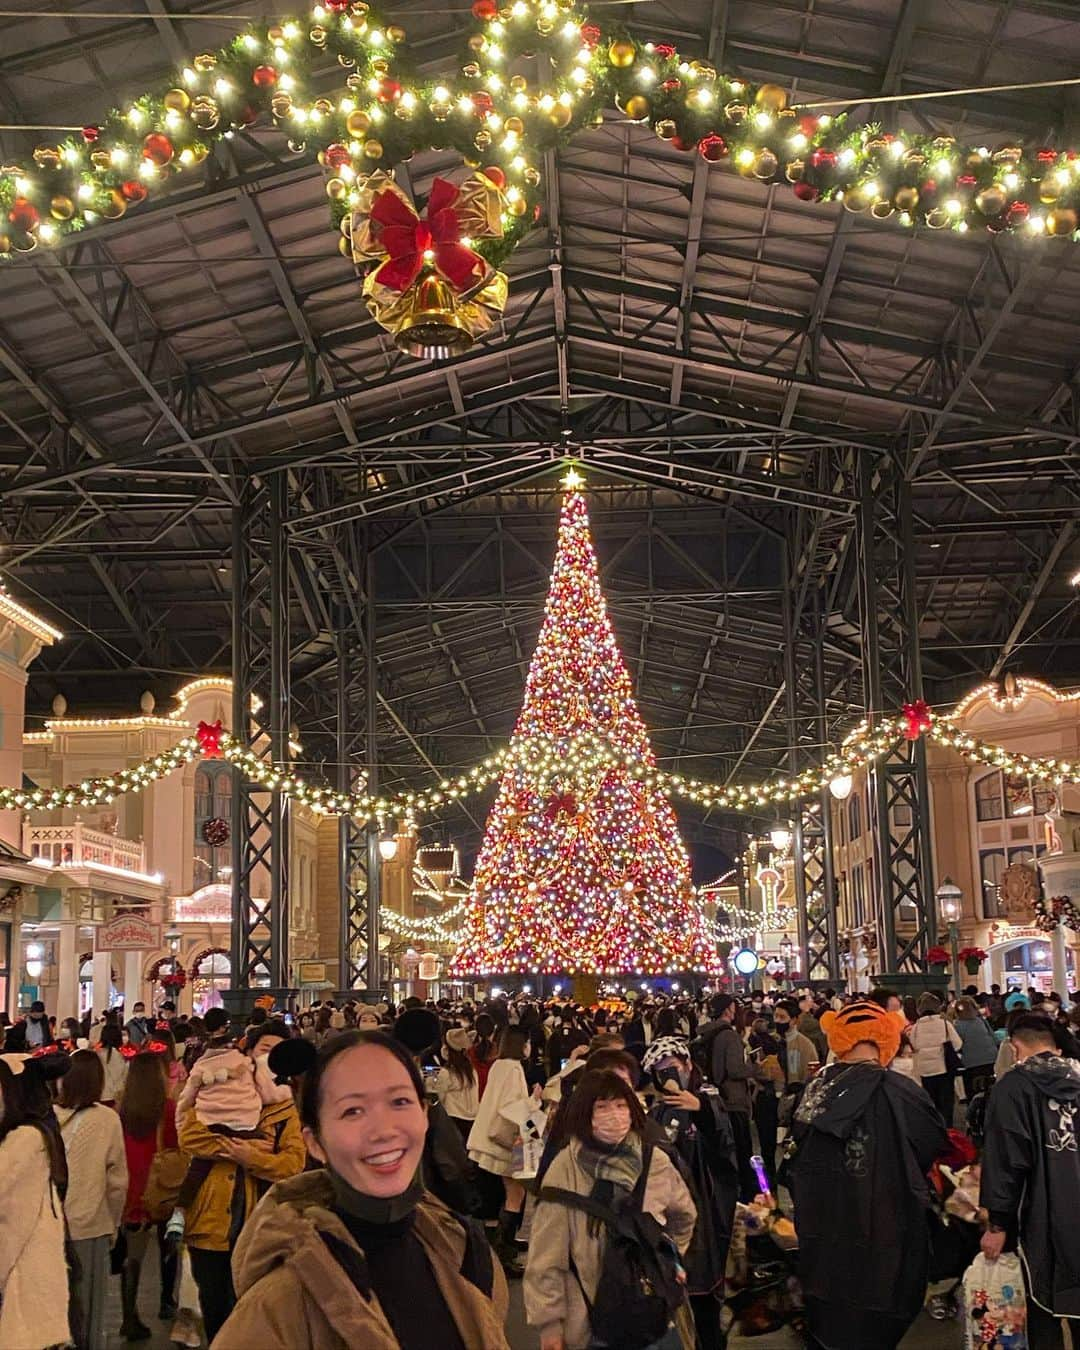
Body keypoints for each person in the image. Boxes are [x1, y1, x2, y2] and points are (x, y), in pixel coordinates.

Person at [212, 1030, 511, 1349]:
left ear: (424, 1115)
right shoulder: (279, 1305)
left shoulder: (465, 1253)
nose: (383, 1130)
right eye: (352, 1110)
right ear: (314, 1142)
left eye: (400, 1101)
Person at [789, 1000, 948, 1350]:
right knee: (880, 1298)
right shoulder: (900, 1090)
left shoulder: (814, 1092)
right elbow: (932, 1140)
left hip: (822, 1220)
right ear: (888, 1035)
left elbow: (792, 1157)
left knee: (832, 1299)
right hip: (885, 1218)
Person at [524, 1069, 696, 1350]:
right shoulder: (565, 1170)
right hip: (590, 1321)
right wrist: (549, 1326)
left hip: (653, 1311)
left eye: (620, 1105)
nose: (613, 1115)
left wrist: (669, 1258)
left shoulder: (655, 1161)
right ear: (584, 1114)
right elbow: (545, 1259)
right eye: (601, 1107)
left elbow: (684, 1215)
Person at [980, 1012, 1080, 1349]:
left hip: (1040, 1213)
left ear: (1014, 1046)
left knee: (1041, 1307)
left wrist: (997, 1222)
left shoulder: (1012, 1088)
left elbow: (1007, 1160)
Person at [643, 1036, 738, 1350]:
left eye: (672, 1068)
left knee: (707, 1309)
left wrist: (702, 1111)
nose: (667, 1076)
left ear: (687, 1065)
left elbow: (725, 1151)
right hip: (671, 1222)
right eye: (660, 1072)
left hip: (706, 1221)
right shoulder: (657, 1111)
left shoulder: (708, 1098)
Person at [54, 1048, 129, 1349]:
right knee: (88, 1308)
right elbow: (117, 1181)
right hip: (92, 1226)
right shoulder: (108, 1120)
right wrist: (115, 1222)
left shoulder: (47, 1118)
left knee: (55, 1306)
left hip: (51, 1227)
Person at [0, 1050, 71, 1350]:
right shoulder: (32, 1135)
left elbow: (12, 1223)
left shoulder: (25, 1141)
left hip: (21, 1286)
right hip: (28, 1283)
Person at [119, 1047, 181, 1339]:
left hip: (132, 1187)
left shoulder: (121, 1108)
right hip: (162, 1186)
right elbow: (176, 1146)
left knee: (133, 1255)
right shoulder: (167, 1109)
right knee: (169, 1244)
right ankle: (166, 1301)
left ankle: (128, 1314)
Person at [467, 1025, 535, 1276]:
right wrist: (534, 1102)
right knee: (514, 1195)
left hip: (486, 1136)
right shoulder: (514, 1068)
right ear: (522, 1044)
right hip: (504, 1142)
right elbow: (511, 1107)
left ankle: (501, 1246)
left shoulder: (498, 1064)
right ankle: (503, 1254)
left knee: (504, 1194)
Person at [702, 994, 763, 1199]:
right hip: (733, 1099)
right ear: (729, 1009)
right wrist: (754, 1068)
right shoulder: (729, 1036)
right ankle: (747, 1196)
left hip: (716, 1097)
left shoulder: (708, 1033)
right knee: (742, 1149)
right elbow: (735, 1069)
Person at [907, 992, 962, 1122]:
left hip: (925, 1071)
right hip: (944, 1068)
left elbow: (913, 1045)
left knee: (931, 1101)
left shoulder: (916, 1027)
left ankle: (935, 1126)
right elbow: (958, 1044)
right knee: (946, 1101)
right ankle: (948, 1128)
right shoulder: (944, 1024)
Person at [434, 1027, 480, 1142]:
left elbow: (440, 1097)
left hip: (453, 1120)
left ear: (447, 1049)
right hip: (473, 1119)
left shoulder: (446, 1073)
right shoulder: (472, 1071)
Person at [952, 996, 999, 1100]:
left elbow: (957, 1046)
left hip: (970, 1063)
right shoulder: (981, 1021)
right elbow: (995, 1039)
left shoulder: (957, 1026)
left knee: (972, 1092)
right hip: (991, 1059)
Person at [97, 1021, 129, 1106]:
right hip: (114, 1098)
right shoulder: (119, 1055)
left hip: (98, 1096)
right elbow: (123, 1078)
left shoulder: (96, 1054)